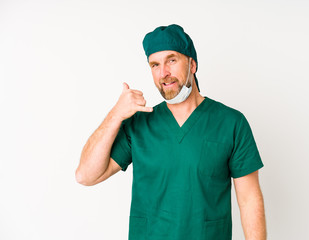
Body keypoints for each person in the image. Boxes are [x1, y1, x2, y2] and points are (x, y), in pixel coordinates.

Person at [76, 24, 266, 240]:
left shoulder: (231, 123)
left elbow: (250, 199)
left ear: (192, 64)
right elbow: (85, 176)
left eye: (172, 60)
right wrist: (115, 115)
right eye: (155, 65)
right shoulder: (139, 124)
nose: (163, 73)